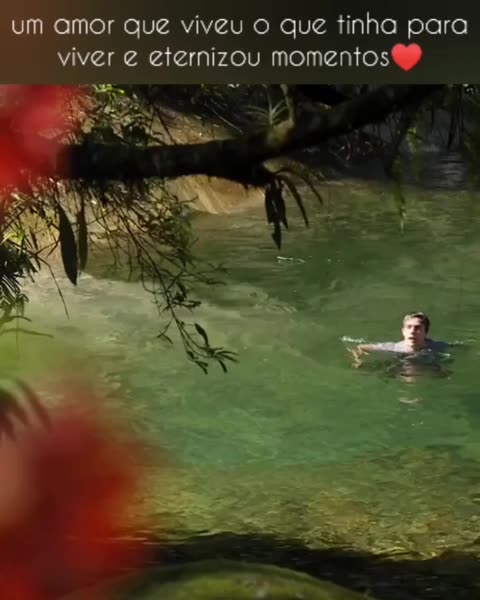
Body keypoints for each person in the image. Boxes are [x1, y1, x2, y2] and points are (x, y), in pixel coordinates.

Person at [349, 312, 450, 368]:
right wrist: (358, 359)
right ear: (403, 331)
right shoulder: (394, 348)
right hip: (400, 368)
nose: (412, 331)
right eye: (409, 327)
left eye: (417, 328)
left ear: (426, 332)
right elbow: (360, 347)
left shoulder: (437, 346)